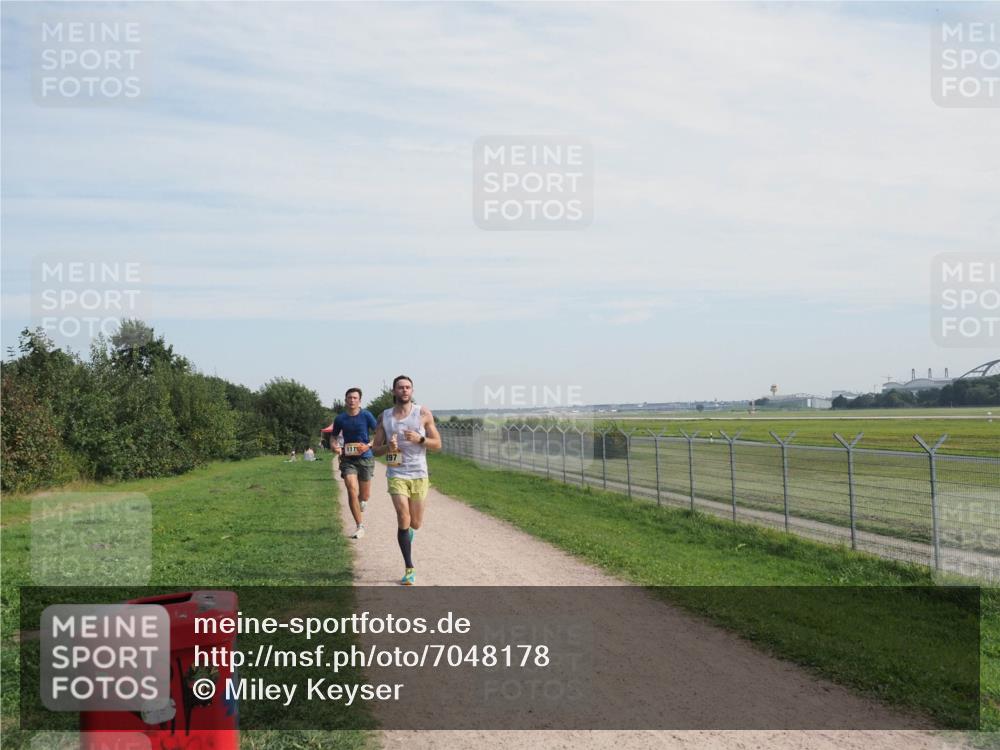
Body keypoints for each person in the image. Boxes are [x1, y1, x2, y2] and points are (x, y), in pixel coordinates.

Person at [372, 375, 441, 585]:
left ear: (412, 391)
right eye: (400, 387)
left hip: (419, 473)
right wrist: (388, 448)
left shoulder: (422, 413)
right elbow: (375, 450)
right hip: (397, 472)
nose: (404, 390)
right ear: (393, 391)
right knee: (403, 517)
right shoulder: (384, 417)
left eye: (408, 387)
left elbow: (437, 444)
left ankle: (409, 532)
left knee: (415, 523)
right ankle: (409, 568)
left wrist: (420, 439)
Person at [331, 387, 378, 539]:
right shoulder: (340, 418)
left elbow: (379, 434)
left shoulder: (366, 415)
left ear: (359, 400)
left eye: (355, 398)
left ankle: (362, 501)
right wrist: (334, 446)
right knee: (351, 488)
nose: (352, 400)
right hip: (348, 458)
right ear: (345, 400)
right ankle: (360, 526)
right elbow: (333, 437)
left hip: (365, 456)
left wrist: (369, 445)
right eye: (349, 398)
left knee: (364, 495)